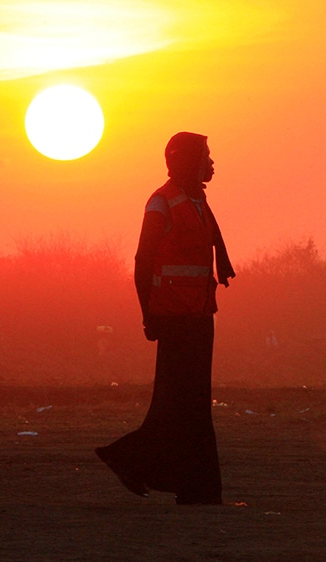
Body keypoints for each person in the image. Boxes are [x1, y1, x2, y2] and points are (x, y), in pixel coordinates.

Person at [96, 131, 235, 505]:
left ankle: (193, 487)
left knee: (187, 405)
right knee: (181, 405)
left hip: (200, 316)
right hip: (173, 318)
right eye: (205, 156)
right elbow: (142, 262)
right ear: (186, 161)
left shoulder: (197, 202)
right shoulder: (162, 203)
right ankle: (154, 470)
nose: (211, 163)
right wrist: (148, 315)